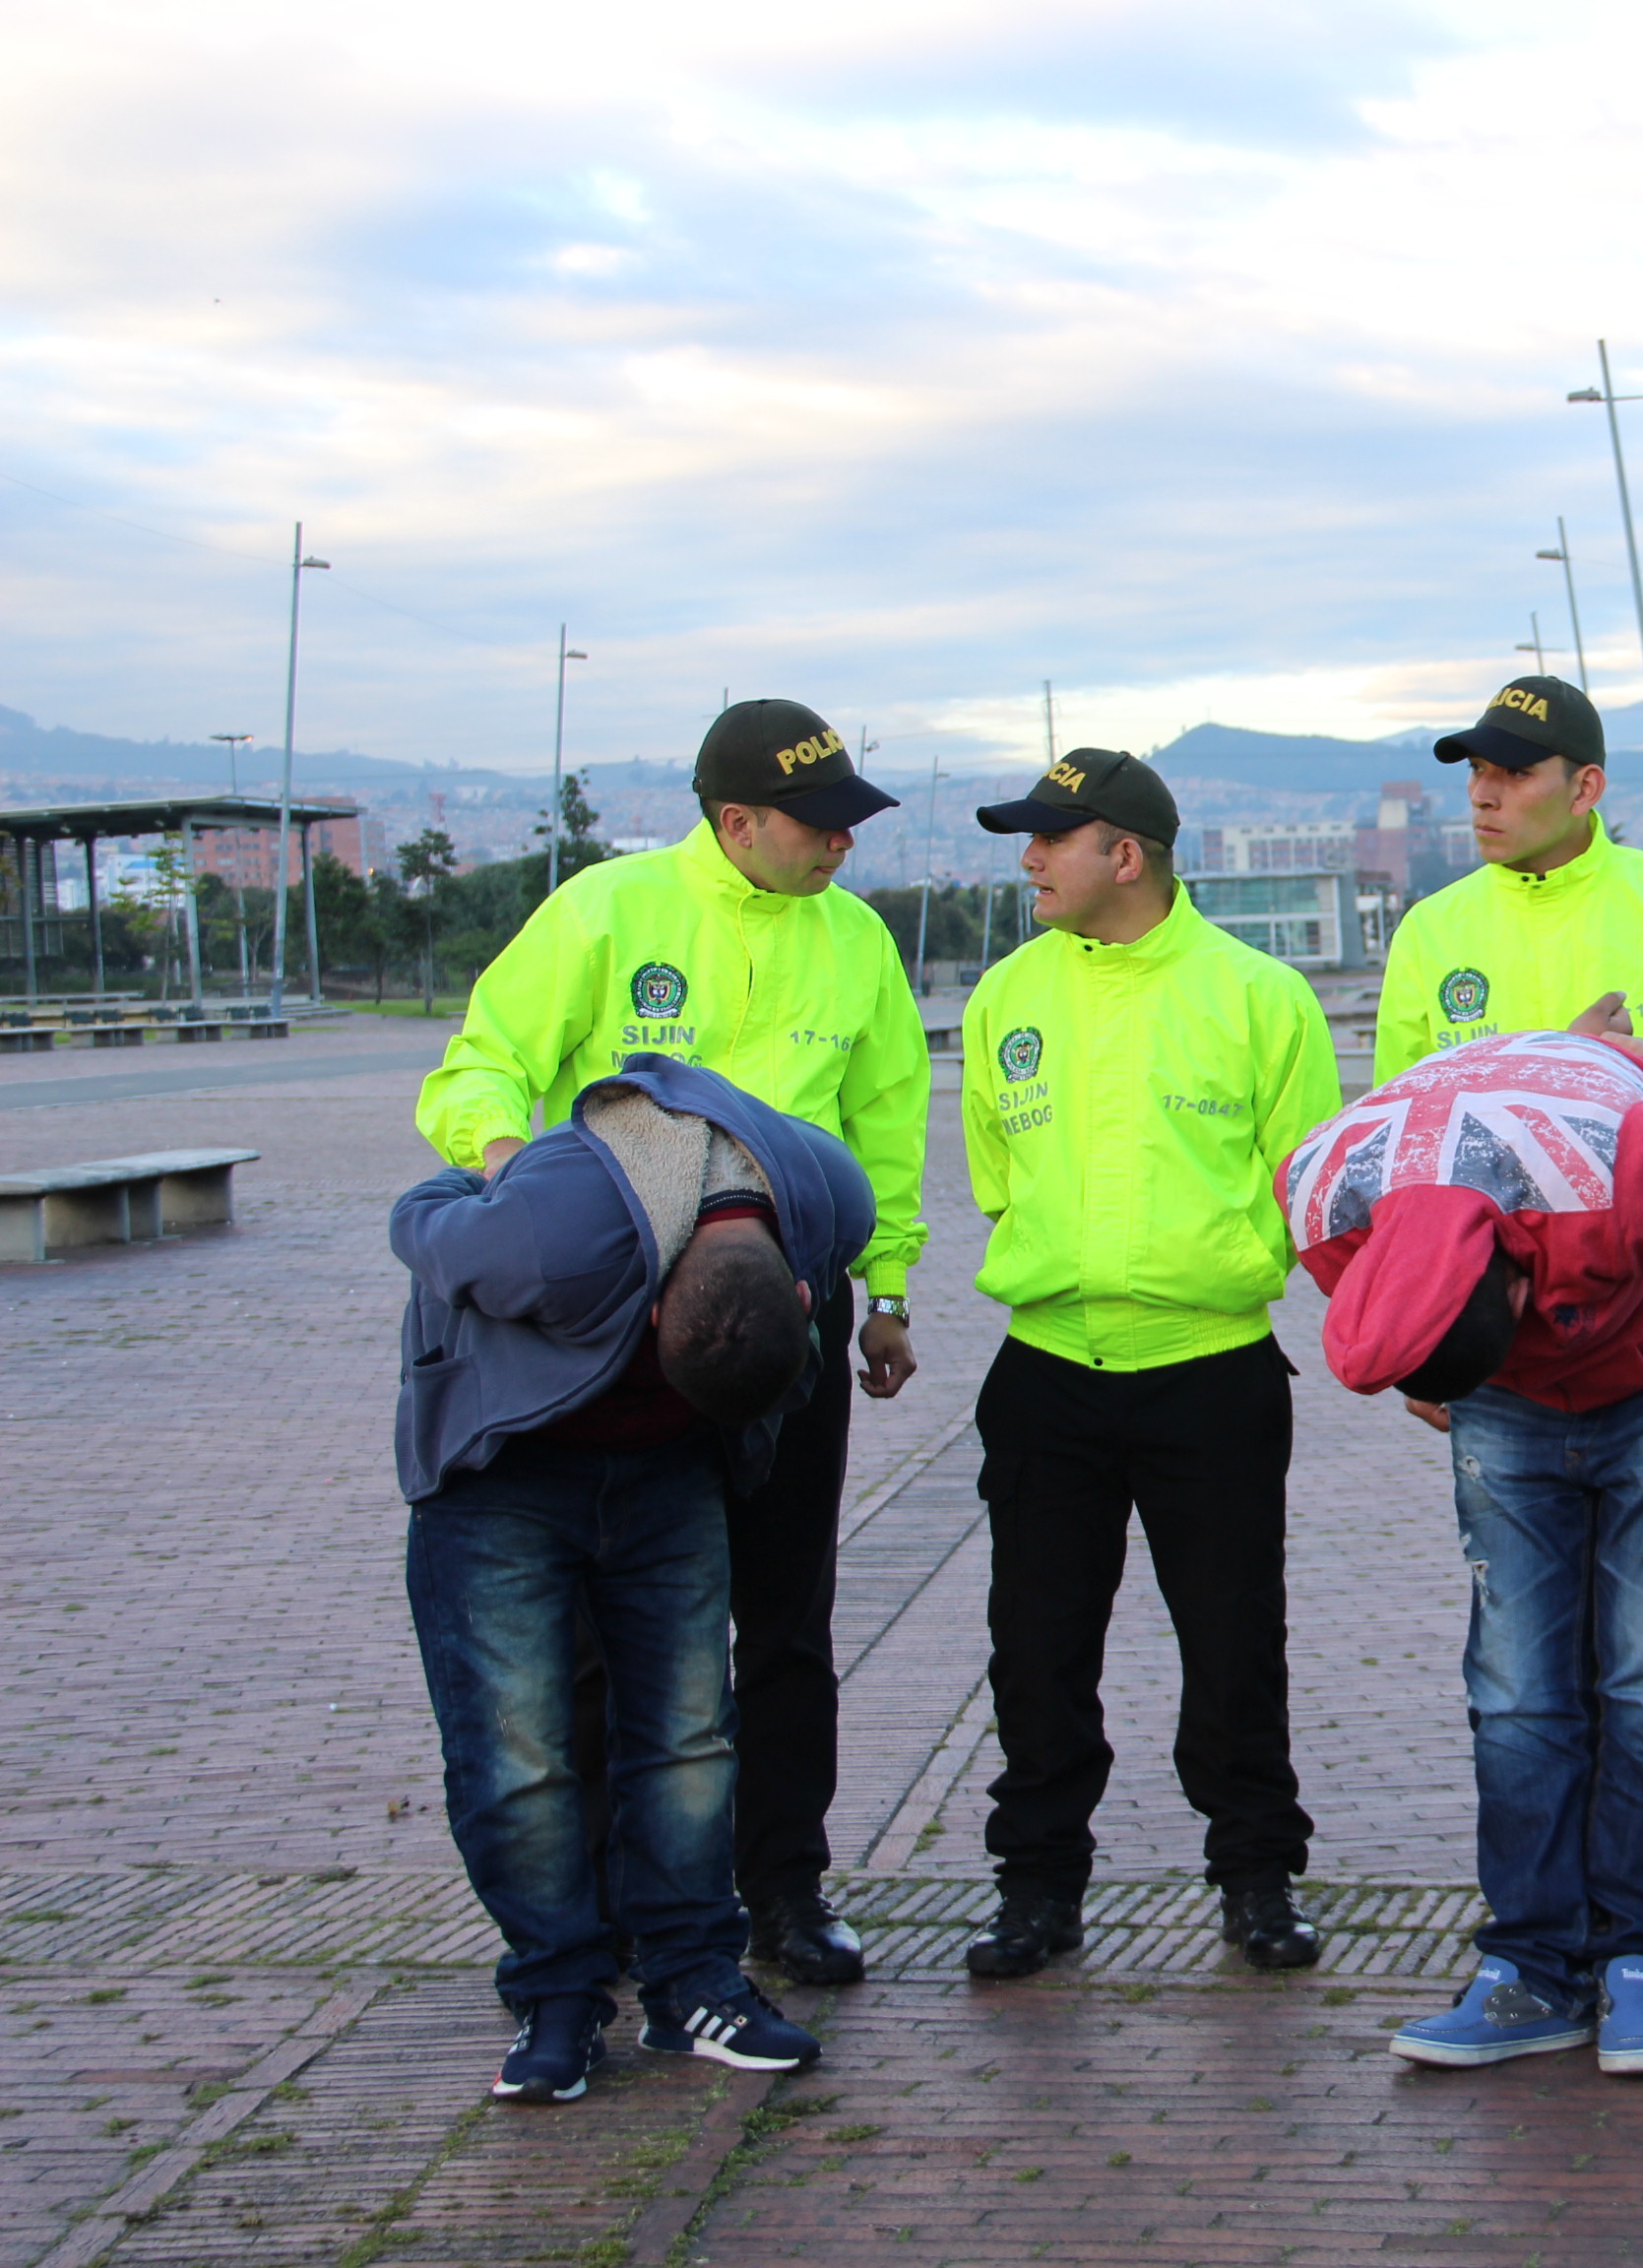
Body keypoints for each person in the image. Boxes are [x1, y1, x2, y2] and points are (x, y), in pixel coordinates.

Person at [414, 699, 927, 1987]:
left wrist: (890, 1291)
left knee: (787, 1615)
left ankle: (784, 1888)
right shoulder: (606, 913)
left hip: (788, 1319)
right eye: (817, 827)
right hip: (628, 1330)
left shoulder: (855, 939)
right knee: (607, 1625)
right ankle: (604, 1902)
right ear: (733, 819)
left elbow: (888, 1123)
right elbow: (478, 1065)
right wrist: (513, 1169)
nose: (840, 849)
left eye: (851, 826)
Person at [1373, 675, 1643, 1981]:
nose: (1486, 795)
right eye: (1473, 775)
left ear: (1588, 785)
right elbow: (1403, 1128)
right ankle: (1550, 1935)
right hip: (1510, 1335)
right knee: (1529, 1655)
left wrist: (1621, 1054)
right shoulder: (1435, 927)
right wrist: (1420, 1338)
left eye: (1514, 771)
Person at [1288, 1021, 1643, 2076]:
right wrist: (1440, 1377)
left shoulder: (1622, 1180)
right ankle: (1531, 1966)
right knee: (1515, 1681)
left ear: (1517, 1278)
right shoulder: (1330, 1202)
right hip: (1509, 1379)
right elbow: (1394, 1323)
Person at [395, 1056, 875, 2104]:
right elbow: (416, 1222)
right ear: (652, 1314)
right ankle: (556, 1993)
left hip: (666, 1474)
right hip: (505, 1463)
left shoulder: (832, 1203)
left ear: (805, 1292)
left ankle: (692, 1981)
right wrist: (481, 1181)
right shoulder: (546, 1236)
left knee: (689, 1737)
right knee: (516, 1751)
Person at [954, 748, 1341, 1979]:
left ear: (1126, 854)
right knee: (1037, 1645)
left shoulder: (1259, 996)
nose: (1028, 860)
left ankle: (1256, 1875)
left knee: (1235, 1641)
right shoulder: (1004, 997)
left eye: (1049, 840)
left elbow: (1312, 1186)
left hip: (1210, 1372)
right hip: (1048, 1370)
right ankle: (1037, 1886)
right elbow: (997, 1178)